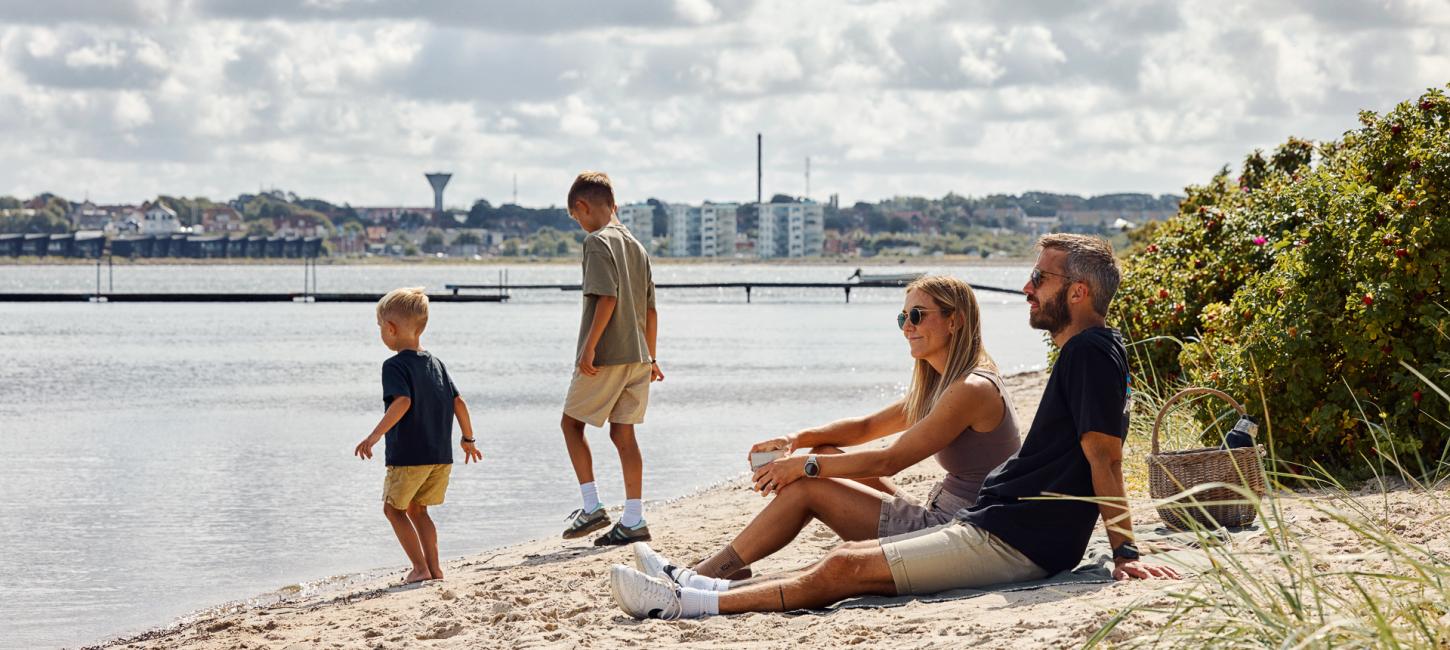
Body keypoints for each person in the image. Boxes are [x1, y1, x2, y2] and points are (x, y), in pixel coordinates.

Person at [608, 234, 1181, 619]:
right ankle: (701, 585)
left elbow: (1104, 455)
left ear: (1077, 292)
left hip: (1014, 538)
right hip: (1001, 523)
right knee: (841, 562)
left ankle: (688, 602)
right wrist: (804, 441)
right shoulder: (1086, 353)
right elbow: (867, 428)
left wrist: (1125, 551)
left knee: (843, 567)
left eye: (1039, 277)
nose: (1028, 287)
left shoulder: (1087, 354)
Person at [657, 275, 1022, 583]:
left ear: (954, 321)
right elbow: (866, 427)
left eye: (917, 315)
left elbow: (890, 460)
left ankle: (712, 572)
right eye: (902, 318)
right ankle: (728, 567)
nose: (907, 327)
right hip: (948, 515)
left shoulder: (970, 389)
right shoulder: (946, 384)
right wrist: (796, 441)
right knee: (828, 452)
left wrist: (803, 466)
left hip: (957, 531)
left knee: (807, 488)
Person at [558, 171, 664, 546]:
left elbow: (607, 298)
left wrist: (589, 347)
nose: (579, 225)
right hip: (638, 356)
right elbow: (651, 311)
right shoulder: (637, 246)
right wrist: (652, 357)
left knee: (571, 426)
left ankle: (591, 507)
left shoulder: (596, 242)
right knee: (624, 434)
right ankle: (633, 518)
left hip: (608, 354)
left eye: (577, 218)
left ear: (583, 207)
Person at [354, 287, 483, 584]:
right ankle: (435, 569)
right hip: (440, 457)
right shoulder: (436, 363)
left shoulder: (394, 365)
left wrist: (374, 436)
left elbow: (402, 402)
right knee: (419, 510)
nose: (381, 334)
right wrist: (468, 439)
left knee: (394, 510)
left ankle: (420, 568)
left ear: (391, 328)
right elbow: (458, 402)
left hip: (409, 456)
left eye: (379, 328)